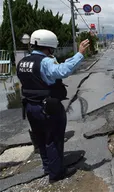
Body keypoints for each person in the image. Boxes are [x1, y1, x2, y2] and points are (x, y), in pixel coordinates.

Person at [16, 29, 90, 183]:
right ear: (49, 46)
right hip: (47, 107)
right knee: (54, 139)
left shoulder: (23, 62)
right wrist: (80, 54)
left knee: (41, 139)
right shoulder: (45, 62)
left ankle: (48, 167)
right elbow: (62, 70)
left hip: (30, 106)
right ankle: (56, 174)